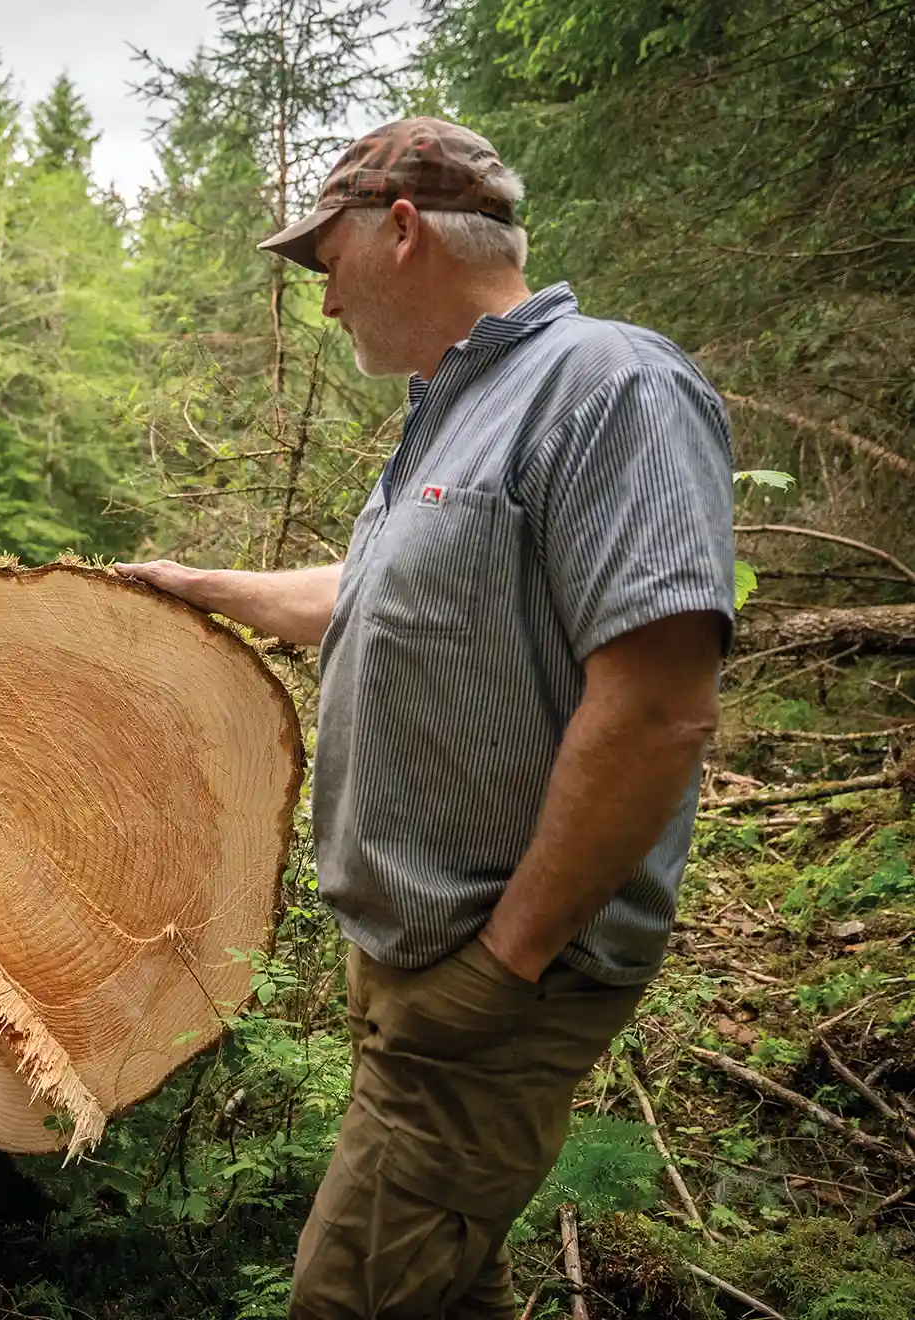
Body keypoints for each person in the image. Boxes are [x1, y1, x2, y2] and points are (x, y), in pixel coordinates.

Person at [117, 118, 736, 1320]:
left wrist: (503, 964)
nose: (324, 299)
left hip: (505, 970)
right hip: (422, 957)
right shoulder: (455, 412)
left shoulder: (611, 386)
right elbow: (388, 593)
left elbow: (660, 709)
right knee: (446, 1288)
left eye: (323, 260)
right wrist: (212, 590)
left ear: (399, 231)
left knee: (352, 1298)